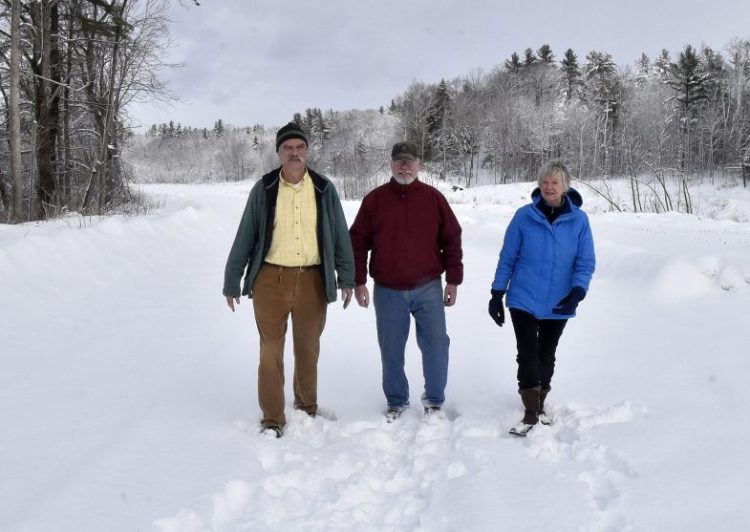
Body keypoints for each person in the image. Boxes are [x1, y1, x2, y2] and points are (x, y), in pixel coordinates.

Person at [223, 122, 355, 438]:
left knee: (308, 348)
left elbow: (339, 236)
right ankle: (272, 419)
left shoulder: (324, 188)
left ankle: (306, 407)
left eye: (300, 148)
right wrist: (232, 279)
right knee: (270, 351)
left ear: (306, 151)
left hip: (312, 280)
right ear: (279, 152)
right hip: (271, 280)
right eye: (288, 149)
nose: (294, 154)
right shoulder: (265, 189)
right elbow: (245, 235)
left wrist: (347, 277)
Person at [349, 141, 463, 421]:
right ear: (390, 164)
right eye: (399, 161)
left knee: (437, 343)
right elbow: (358, 242)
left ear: (418, 165)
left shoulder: (433, 199)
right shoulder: (374, 200)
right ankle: (397, 401)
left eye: (410, 161)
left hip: (428, 287)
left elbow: (451, 238)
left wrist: (453, 280)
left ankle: (434, 400)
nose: (404, 166)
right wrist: (359, 281)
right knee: (391, 348)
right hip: (388, 289)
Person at [488, 160, 595, 436]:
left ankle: (541, 399)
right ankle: (530, 411)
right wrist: (497, 293)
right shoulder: (524, 216)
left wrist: (578, 291)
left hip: (559, 300)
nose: (548, 187)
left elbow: (585, 261)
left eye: (554, 182)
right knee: (527, 353)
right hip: (523, 297)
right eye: (544, 182)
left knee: (547, 354)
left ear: (565, 187)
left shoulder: (579, 221)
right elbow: (508, 256)